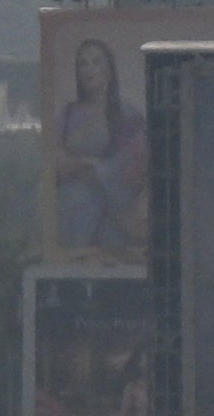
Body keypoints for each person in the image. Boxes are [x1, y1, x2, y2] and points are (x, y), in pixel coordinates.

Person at [53, 36, 145, 254]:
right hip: (72, 217)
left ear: (109, 69)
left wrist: (98, 170)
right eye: (83, 63)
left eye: (96, 62)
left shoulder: (127, 114)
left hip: (113, 220)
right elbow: (55, 161)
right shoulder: (67, 114)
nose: (89, 69)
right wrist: (80, 166)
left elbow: (136, 165)